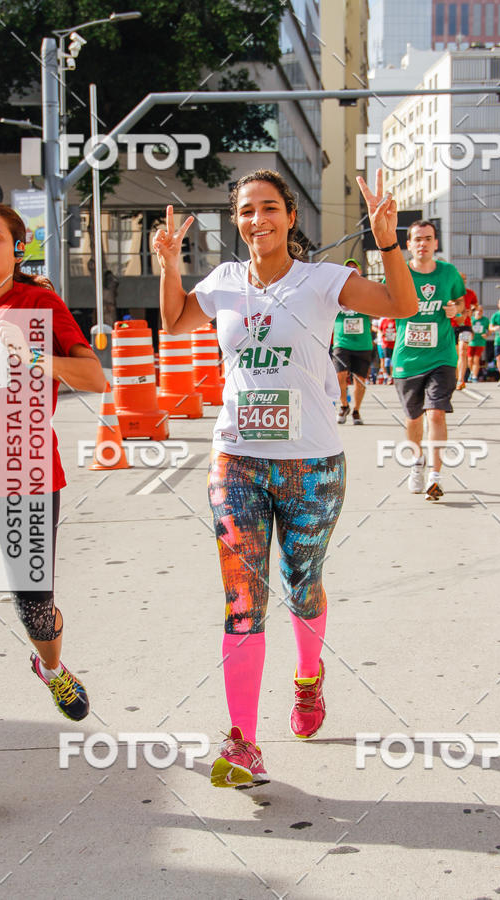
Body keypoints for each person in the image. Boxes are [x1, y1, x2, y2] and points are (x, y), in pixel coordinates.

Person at [154, 169, 417, 787]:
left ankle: (307, 680)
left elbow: (401, 306)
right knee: (243, 599)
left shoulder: (323, 280)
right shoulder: (222, 282)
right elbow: (173, 321)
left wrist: (388, 241)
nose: (257, 220)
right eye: (246, 211)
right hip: (236, 461)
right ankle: (243, 740)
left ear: (290, 216)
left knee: (303, 586)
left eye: (269, 208)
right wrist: (169, 263)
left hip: (312, 463)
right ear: (236, 220)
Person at [0, 203, 104, 797]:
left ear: (16, 247)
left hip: (25, 475)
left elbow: (94, 379)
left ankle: (51, 667)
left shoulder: (38, 304)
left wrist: (30, 357)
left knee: (34, 607)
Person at [390, 220, 465, 500]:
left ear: (436, 243)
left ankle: (435, 476)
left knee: (435, 412)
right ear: (409, 245)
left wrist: (454, 309)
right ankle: (417, 463)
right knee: (413, 420)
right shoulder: (398, 274)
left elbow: (462, 303)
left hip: (442, 355)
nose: (423, 243)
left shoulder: (448, 273)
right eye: (417, 239)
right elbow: (384, 302)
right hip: (407, 360)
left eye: (428, 238)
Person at [331, 259, 374, 425]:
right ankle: (344, 405)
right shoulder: (336, 291)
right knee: (339, 375)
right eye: (348, 269)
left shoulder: (367, 291)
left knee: (360, 380)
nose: (351, 271)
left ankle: (356, 410)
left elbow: (378, 312)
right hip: (342, 343)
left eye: (354, 269)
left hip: (363, 344)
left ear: (360, 272)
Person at [452, 273, 477, 390]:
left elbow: (474, 306)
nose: (463, 281)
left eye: (465, 279)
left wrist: (468, 312)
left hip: (465, 326)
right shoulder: (450, 293)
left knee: (463, 350)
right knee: (455, 354)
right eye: (461, 279)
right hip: (451, 326)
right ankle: (456, 378)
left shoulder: (471, 293)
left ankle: (461, 379)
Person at [467, 304, 490, 382]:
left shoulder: (485, 320)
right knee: (470, 359)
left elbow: (489, 329)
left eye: (481, 311)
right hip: (471, 342)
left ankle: (474, 376)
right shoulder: (471, 319)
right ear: (474, 312)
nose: (479, 312)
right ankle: (471, 372)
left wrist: (487, 334)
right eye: (477, 311)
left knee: (476, 359)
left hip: (480, 342)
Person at [377, 315, 396, 383]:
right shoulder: (384, 321)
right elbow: (379, 329)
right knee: (387, 360)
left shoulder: (396, 321)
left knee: (393, 361)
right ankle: (388, 377)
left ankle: (393, 376)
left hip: (394, 344)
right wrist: (382, 334)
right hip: (386, 344)